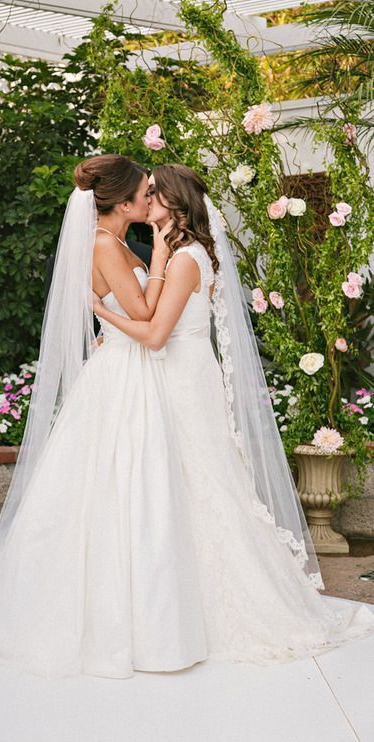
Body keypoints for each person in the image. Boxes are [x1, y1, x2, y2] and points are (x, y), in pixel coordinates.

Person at [0, 154, 209, 679]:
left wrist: (131, 292)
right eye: (144, 193)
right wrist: (146, 277)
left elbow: (137, 310)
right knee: (113, 486)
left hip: (131, 367)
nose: (152, 198)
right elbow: (144, 314)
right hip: (122, 374)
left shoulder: (122, 242)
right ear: (122, 203)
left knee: (128, 486)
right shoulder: (105, 243)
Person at [92, 163, 374, 664]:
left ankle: (221, 603)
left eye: (154, 194)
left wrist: (104, 316)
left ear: (175, 204)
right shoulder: (179, 254)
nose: (147, 200)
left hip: (180, 380)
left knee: (203, 486)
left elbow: (155, 335)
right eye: (145, 193)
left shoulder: (185, 261)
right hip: (177, 377)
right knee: (189, 487)